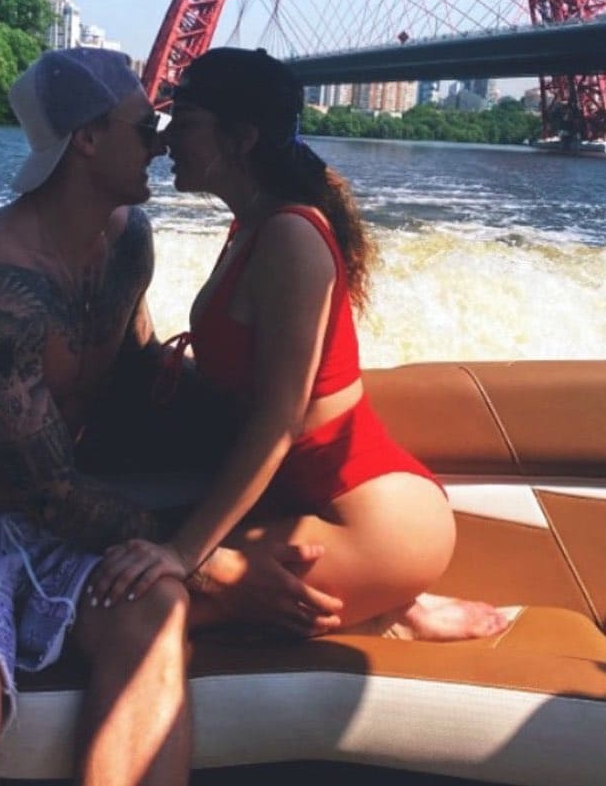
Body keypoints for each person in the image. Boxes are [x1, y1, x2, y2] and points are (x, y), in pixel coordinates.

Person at [0, 46, 340, 786]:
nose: (162, 142)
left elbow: (137, 377)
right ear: (87, 139)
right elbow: (50, 491)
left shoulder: (129, 240)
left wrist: (275, 426)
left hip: (45, 538)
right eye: (144, 127)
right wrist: (218, 564)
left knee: (155, 610)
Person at [88, 46, 516, 642]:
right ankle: (386, 606)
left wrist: (184, 553)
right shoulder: (252, 226)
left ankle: (388, 600)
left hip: (374, 524)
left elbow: (279, 421)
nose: (163, 142)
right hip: (308, 505)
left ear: (241, 138)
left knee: (122, 611)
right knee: (109, 581)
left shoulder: (289, 235)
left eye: (183, 123)